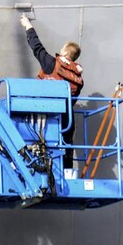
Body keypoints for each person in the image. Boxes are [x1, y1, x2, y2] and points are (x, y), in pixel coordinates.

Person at [19, 14, 83, 170]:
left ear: (66, 54)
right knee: (66, 147)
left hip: (47, 117)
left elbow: (37, 47)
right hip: (67, 119)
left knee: (43, 147)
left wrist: (28, 25)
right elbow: (72, 101)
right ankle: (67, 173)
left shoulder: (51, 64)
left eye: (62, 50)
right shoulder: (78, 78)